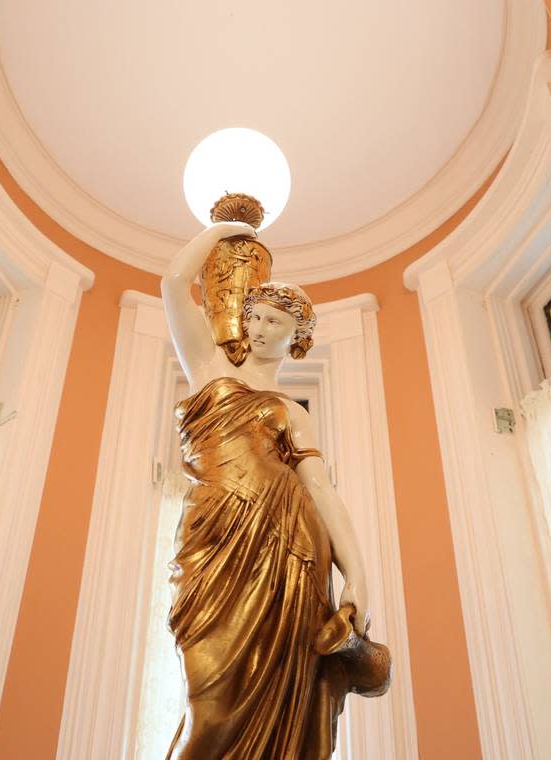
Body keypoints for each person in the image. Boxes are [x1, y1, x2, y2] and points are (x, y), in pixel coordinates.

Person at [161, 221, 372, 759]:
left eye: (273, 320)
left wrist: (358, 575)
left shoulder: (292, 414)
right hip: (212, 539)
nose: (256, 327)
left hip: (289, 550)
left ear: (297, 337)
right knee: (207, 706)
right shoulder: (207, 368)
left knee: (285, 696)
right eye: (252, 315)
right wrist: (221, 229)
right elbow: (173, 283)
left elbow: (322, 491)